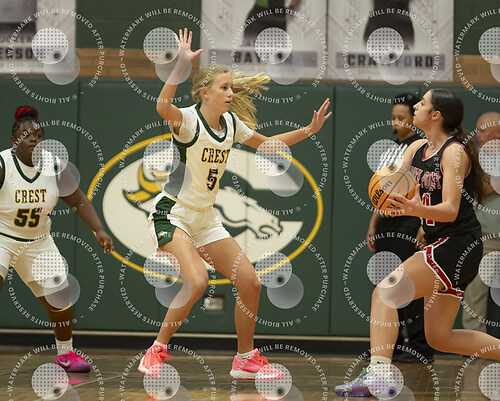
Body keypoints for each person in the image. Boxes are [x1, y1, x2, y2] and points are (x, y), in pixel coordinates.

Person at [138, 28, 331, 379]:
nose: (230, 93)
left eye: (231, 87)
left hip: (205, 219)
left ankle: (245, 358)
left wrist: (308, 130)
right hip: (174, 214)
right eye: (224, 87)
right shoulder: (188, 121)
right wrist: (181, 65)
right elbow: (162, 106)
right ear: (204, 92)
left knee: (251, 283)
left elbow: (268, 145)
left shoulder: (230, 124)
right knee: (197, 281)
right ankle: (156, 350)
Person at [335, 89, 499, 397]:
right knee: (440, 337)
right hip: (444, 243)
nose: (416, 107)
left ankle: (378, 376)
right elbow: (404, 187)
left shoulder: (453, 153)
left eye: (422, 103)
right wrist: (390, 195)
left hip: (457, 244)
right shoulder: (415, 149)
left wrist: (414, 210)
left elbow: (450, 209)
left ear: (435, 115)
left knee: (384, 293)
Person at [0, 106, 114, 372]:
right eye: (26, 135)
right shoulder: (4, 164)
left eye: (39, 135)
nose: (33, 138)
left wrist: (99, 229)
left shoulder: (54, 165)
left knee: (60, 297)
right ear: (13, 141)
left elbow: (78, 200)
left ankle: (66, 354)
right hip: (3, 236)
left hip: (38, 240)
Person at [366, 93, 433, 363]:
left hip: (409, 222)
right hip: (386, 222)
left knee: (409, 286)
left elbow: (427, 190)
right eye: (393, 117)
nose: (396, 121)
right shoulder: (388, 150)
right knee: (386, 284)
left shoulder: (421, 149)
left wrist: (423, 225)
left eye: (401, 117)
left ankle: (420, 346)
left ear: (413, 120)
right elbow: (379, 193)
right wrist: (373, 224)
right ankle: (388, 346)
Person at [462, 112, 500, 332]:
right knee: (474, 293)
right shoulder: (475, 157)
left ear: (498, 132)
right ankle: (474, 342)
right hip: (484, 238)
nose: (478, 135)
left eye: (483, 130)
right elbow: (480, 188)